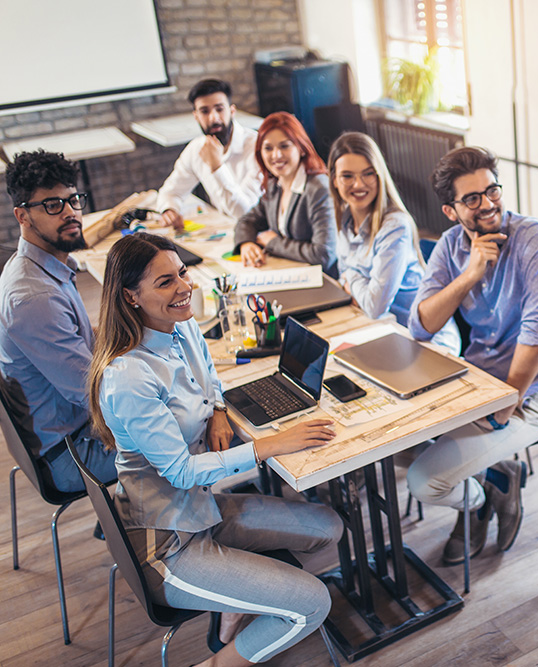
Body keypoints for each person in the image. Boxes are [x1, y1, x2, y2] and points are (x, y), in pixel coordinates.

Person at [87, 231, 342, 667]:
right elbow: (183, 473)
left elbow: (209, 371)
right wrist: (267, 447)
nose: (184, 287)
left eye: (182, 273)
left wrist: (220, 408)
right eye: (164, 282)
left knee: (328, 526)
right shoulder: (129, 377)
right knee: (314, 604)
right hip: (169, 541)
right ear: (131, 296)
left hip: (202, 509)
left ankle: (232, 608)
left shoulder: (180, 325)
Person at [406, 146, 538, 565]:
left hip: (530, 396)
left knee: (424, 482)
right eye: (472, 199)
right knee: (393, 445)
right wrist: (470, 274)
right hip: (473, 386)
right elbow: (421, 324)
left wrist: (506, 402)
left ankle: (477, 501)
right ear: (450, 210)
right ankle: (494, 484)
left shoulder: (534, 237)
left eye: (492, 190)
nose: (488, 204)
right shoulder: (450, 245)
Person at [0, 150, 117, 493]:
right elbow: (96, 396)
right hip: (72, 454)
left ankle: (138, 514)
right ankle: (159, 531)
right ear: (22, 215)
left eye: (72, 200)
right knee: (195, 426)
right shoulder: (34, 297)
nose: (69, 213)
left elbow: (87, 343)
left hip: (74, 432)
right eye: (52, 205)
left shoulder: (40, 268)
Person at [327, 131, 459, 352]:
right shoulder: (344, 218)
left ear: (379, 176)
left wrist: (351, 277)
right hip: (381, 332)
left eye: (368, 174)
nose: (358, 184)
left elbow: (374, 305)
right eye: (347, 176)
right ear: (334, 180)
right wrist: (353, 283)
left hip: (426, 342)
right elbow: (346, 285)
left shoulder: (395, 225)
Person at [233, 112, 337, 276]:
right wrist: (246, 243)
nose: (276, 155)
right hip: (290, 273)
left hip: (323, 281)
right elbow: (247, 221)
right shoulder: (275, 183)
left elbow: (324, 254)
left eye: (284, 146)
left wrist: (274, 242)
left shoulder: (318, 188)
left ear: (301, 148)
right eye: (268, 148)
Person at [156, 79, 263, 231]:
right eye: (204, 111)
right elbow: (170, 191)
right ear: (196, 116)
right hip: (223, 231)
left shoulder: (257, 146)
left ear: (232, 111)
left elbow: (245, 214)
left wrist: (217, 167)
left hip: (257, 233)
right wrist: (169, 210)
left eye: (219, 109)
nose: (213, 118)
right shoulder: (196, 148)